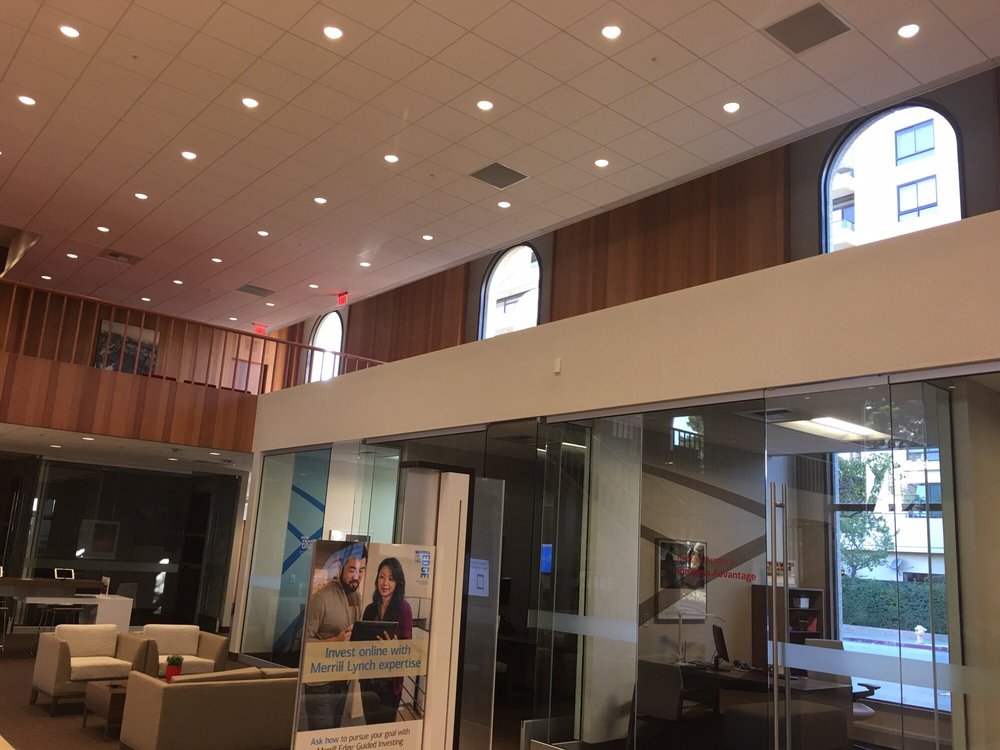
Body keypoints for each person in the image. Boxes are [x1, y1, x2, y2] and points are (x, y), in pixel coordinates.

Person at [301, 543, 367, 730]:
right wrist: (335, 641)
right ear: (340, 566)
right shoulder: (320, 599)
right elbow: (304, 644)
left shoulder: (356, 596)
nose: (356, 577)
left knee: (334, 733)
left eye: (361, 570)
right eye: (352, 570)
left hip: (343, 680)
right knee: (320, 735)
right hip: (320, 684)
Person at [359, 557, 412, 724]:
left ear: (398, 583)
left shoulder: (404, 609)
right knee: (370, 723)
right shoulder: (370, 609)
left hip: (390, 684)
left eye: (391, 578)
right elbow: (361, 645)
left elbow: (408, 649)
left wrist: (394, 648)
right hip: (368, 681)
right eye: (382, 577)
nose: (385, 583)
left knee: (385, 728)